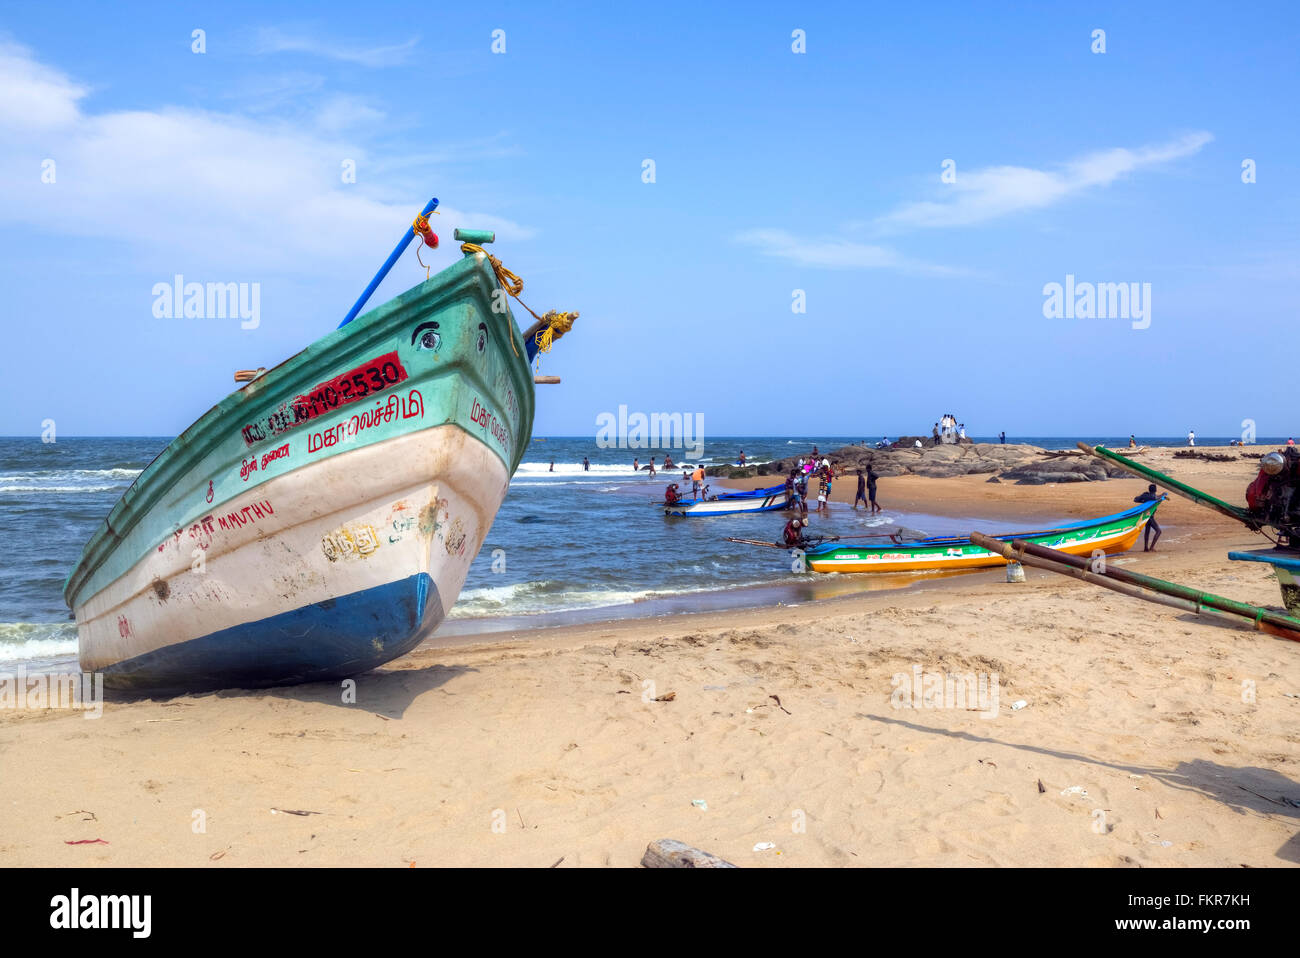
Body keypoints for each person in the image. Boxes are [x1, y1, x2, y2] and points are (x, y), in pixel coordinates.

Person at [1134, 483, 1167, 551]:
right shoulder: (1153, 497)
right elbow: (1156, 497)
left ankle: (1146, 548)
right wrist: (1163, 494)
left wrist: (1142, 500)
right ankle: (1151, 547)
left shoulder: (1146, 496)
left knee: (1147, 531)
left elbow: (1135, 499)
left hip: (1145, 516)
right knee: (1158, 531)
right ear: (1155, 490)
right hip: (1150, 517)